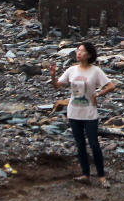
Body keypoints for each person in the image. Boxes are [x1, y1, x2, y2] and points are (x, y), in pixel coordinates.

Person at [50, 42, 116, 187]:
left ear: (89, 55)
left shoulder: (95, 71)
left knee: (94, 144)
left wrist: (98, 94)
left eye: (82, 51)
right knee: (80, 144)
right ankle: (85, 174)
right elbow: (57, 86)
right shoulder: (72, 70)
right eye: (78, 50)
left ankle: (101, 176)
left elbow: (111, 85)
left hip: (90, 113)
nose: (78, 53)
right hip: (73, 112)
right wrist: (53, 76)